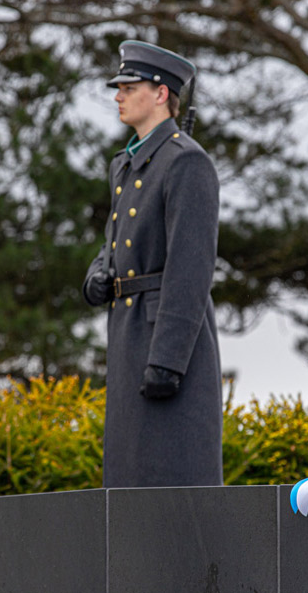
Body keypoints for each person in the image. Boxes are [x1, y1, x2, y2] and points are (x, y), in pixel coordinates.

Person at [83, 40, 223, 488]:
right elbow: (114, 242)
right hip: (129, 335)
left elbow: (191, 269)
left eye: (129, 85)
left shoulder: (186, 162)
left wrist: (167, 360)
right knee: (129, 481)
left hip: (168, 340)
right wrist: (97, 275)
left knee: (172, 477)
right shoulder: (125, 164)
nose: (118, 94)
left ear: (161, 94)